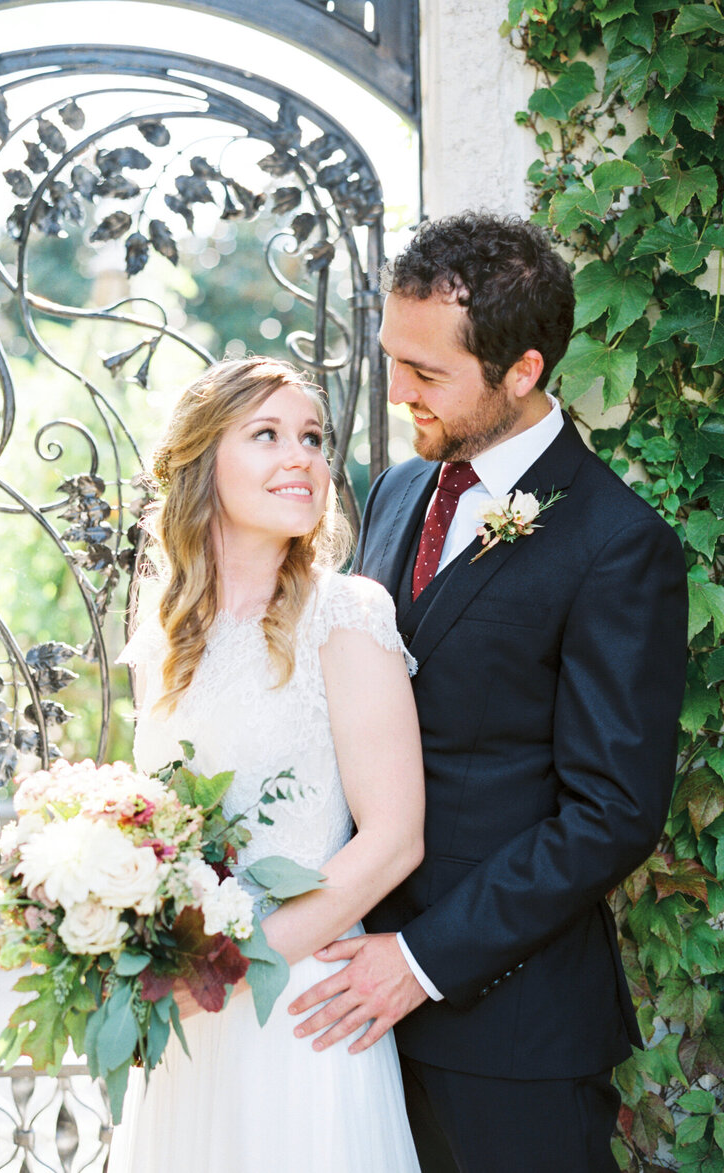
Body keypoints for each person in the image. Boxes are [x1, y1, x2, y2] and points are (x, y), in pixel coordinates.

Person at [287, 213, 689, 1173]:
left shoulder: (617, 544)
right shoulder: (393, 493)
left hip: (513, 1036)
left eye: (428, 374)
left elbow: (612, 813)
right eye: (393, 359)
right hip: (352, 1019)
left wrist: (421, 960)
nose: (399, 393)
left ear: (523, 371)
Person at [106, 356, 425, 1173]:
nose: (304, 458)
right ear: (203, 461)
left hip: (302, 1012)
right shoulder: (166, 630)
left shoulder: (346, 615)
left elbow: (392, 840)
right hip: (190, 1021)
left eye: (313, 438)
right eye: (269, 435)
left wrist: (237, 964)